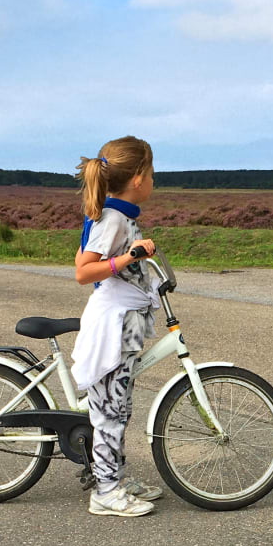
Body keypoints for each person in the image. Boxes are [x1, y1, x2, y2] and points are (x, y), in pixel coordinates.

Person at [72, 135, 163, 518]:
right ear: (139, 178)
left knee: (119, 406)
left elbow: (84, 252)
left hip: (125, 323)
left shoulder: (118, 215)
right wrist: (127, 258)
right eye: (153, 171)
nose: (155, 179)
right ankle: (105, 492)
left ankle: (115, 477)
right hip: (113, 324)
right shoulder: (112, 218)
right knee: (110, 410)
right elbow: (83, 270)